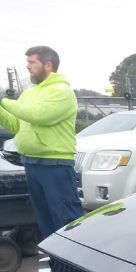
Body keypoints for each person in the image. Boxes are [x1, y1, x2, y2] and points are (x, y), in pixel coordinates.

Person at [0, 46, 83, 237]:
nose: (27, 67)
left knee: (66, 218)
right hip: (31, 163)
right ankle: (54, 261)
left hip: (55, 165)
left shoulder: (62, 91)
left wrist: (3, 101)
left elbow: (38, 116)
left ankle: (75, 262)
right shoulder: (29, 93)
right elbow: (16, 124)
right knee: (44, 219)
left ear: (48, 64)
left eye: (32, 62)